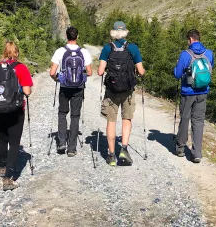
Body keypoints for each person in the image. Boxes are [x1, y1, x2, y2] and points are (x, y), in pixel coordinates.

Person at [0, 40, 33, 191]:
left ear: (3, 52)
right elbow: (27, 91)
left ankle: (3, 167)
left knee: (2, 139)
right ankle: (8, 178)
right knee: (15, 142)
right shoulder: (21, 68)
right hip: (15, 111)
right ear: (16, 53)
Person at [98, 21, 145, 166]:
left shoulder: (107, 48)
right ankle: (124, 150)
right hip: (128, 91)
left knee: (111, 122)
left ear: (113, 32)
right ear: (125, 32)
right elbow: (141, 71)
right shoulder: (133, 48)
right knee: (126, 119)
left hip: (111, 91)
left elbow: (100, 71)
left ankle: (111, 155)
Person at [49, 26, 92, 156]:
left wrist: (58, 79)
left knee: (62, 113)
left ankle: (61, 142)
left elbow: (52, 72)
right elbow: (89, 72)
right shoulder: (83, 52)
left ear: (66, 37)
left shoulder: (60, 51)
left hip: (64, 87)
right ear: (77, 37)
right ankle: (72, 148)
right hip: (78, 88)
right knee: (75, 115)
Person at [173, 29, 214, 163]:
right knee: (198, 121)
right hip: (202, 92)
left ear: (190, 39)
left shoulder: (185, 54)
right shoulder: (209, 53)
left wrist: (177, 65)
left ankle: (180, 148)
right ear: (199, 38)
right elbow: (210, 68)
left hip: (188, 92)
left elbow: (177, 74)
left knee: (185, 119)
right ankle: (196, 153)